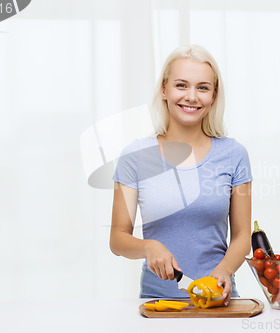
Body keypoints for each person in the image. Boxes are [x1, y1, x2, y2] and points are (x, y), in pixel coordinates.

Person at [109, 45, 252, 305]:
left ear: (213, 95)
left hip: (220, 301)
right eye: (181, 85)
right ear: (164, 90)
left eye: (203, 87)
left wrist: (223, 272)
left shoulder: (234, 154)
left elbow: (242, 236)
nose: (192, 96)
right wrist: (149, 247)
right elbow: (118, 238)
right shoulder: (136, 156)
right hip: (158, 304)